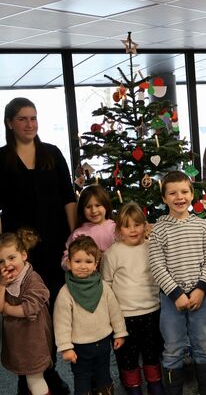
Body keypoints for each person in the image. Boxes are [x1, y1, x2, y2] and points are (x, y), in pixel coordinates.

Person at [0, 97, 76, 394]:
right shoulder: (1, 159)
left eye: (33, 118)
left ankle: (48, 370)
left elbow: (69, 197)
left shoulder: (52, 154)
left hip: (56, 244)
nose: (30, 124)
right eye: (23, 119)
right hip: (20, 254)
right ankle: (26, 374)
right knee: (23, 315)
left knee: (53, 309)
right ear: (10, 123)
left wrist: (73, 238)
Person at [149, 171, 206, 395]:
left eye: (184, 191)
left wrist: (200, 290)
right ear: (164, 198)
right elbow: (157, 266)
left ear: (192, 195)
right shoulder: (159, 229)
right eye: (172, 193)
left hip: (200, 295)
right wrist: (176, 293)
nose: (179, 197)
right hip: (172, 299)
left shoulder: (202, 226)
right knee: (173, 345)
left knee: (204, 341)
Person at [101, 202, 164, 395]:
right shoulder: (113, 253)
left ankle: (155, 383)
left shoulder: (152, 247)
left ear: (145, 225)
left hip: (152, 310)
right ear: (119, 229)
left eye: (137, 224)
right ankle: (133, 386)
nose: (133, 230)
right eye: (127, 226)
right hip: (124, 315)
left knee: (152, 351)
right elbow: (107, 284)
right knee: (127, 356)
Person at [53, 235, 128, 395]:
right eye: (77, 261)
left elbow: (114, 311)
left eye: (88, 261)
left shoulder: (103, 287)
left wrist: (120, 333)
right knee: (82, 379)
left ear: (96, 264)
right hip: (79, 347)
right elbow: (61, 323)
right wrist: (65, 347)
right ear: (69, 263)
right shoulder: (65, 293)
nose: (83, 266)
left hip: (103, 342)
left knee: (104, 376)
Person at [0, 229, 52, 395]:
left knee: (35, 379)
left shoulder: (33, 279)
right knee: (28, 379)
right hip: (17, 341)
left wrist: (7, 309)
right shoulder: (5, 280)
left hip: (33, 340)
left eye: (11, 258)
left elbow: (30, 308)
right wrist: (1, 286)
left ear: (23, 255)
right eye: (1, 261)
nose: (6, 264)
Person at [61, 185, 116, 268]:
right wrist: (67, 264)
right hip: (87, 278)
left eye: (98, 205)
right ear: (82, 210)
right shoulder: (78, 233)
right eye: (88, 207)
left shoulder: (116, 229)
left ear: (106, 206)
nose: (93, 211)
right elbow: (68, 254)